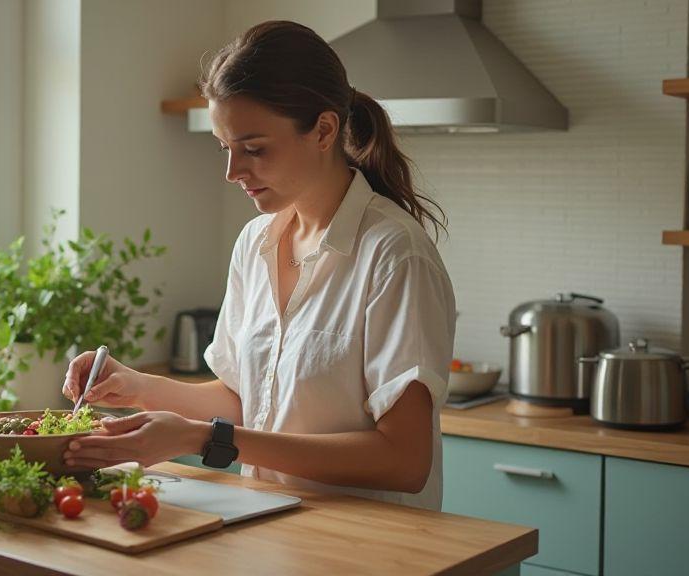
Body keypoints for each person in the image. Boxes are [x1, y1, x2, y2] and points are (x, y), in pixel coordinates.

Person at [62, 20, 455, 510]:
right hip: (267, 524)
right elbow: (246, 400)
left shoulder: (394, 254)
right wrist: (138, 387)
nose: (233, 172)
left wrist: (205, 438)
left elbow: (405, 461)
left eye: (254, 149)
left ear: (324, 130)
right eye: (225, 148)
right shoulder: (255, 243)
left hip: (363, 542)